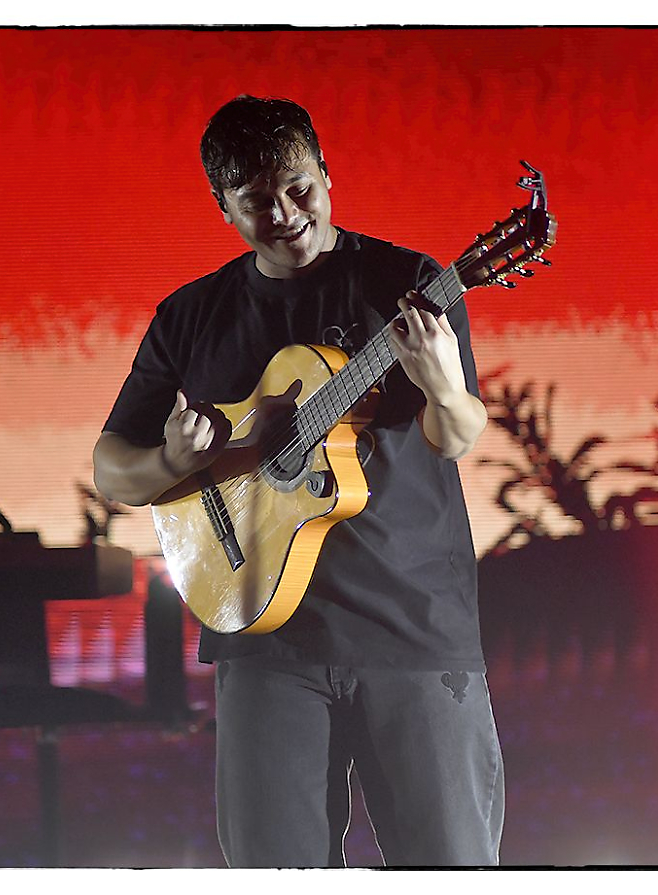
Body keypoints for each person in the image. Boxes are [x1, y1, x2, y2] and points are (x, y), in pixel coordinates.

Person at [92, 95, 503, 867]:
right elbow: (112, 464)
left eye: (299, 188)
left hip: (412, 631)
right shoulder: (191, 314)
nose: (284, 214)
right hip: (262, 643)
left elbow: (454, 436)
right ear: (223, 207)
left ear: (327, 175)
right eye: (255, 201)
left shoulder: (407, 284)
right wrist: (174, 461)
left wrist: (444, 384)